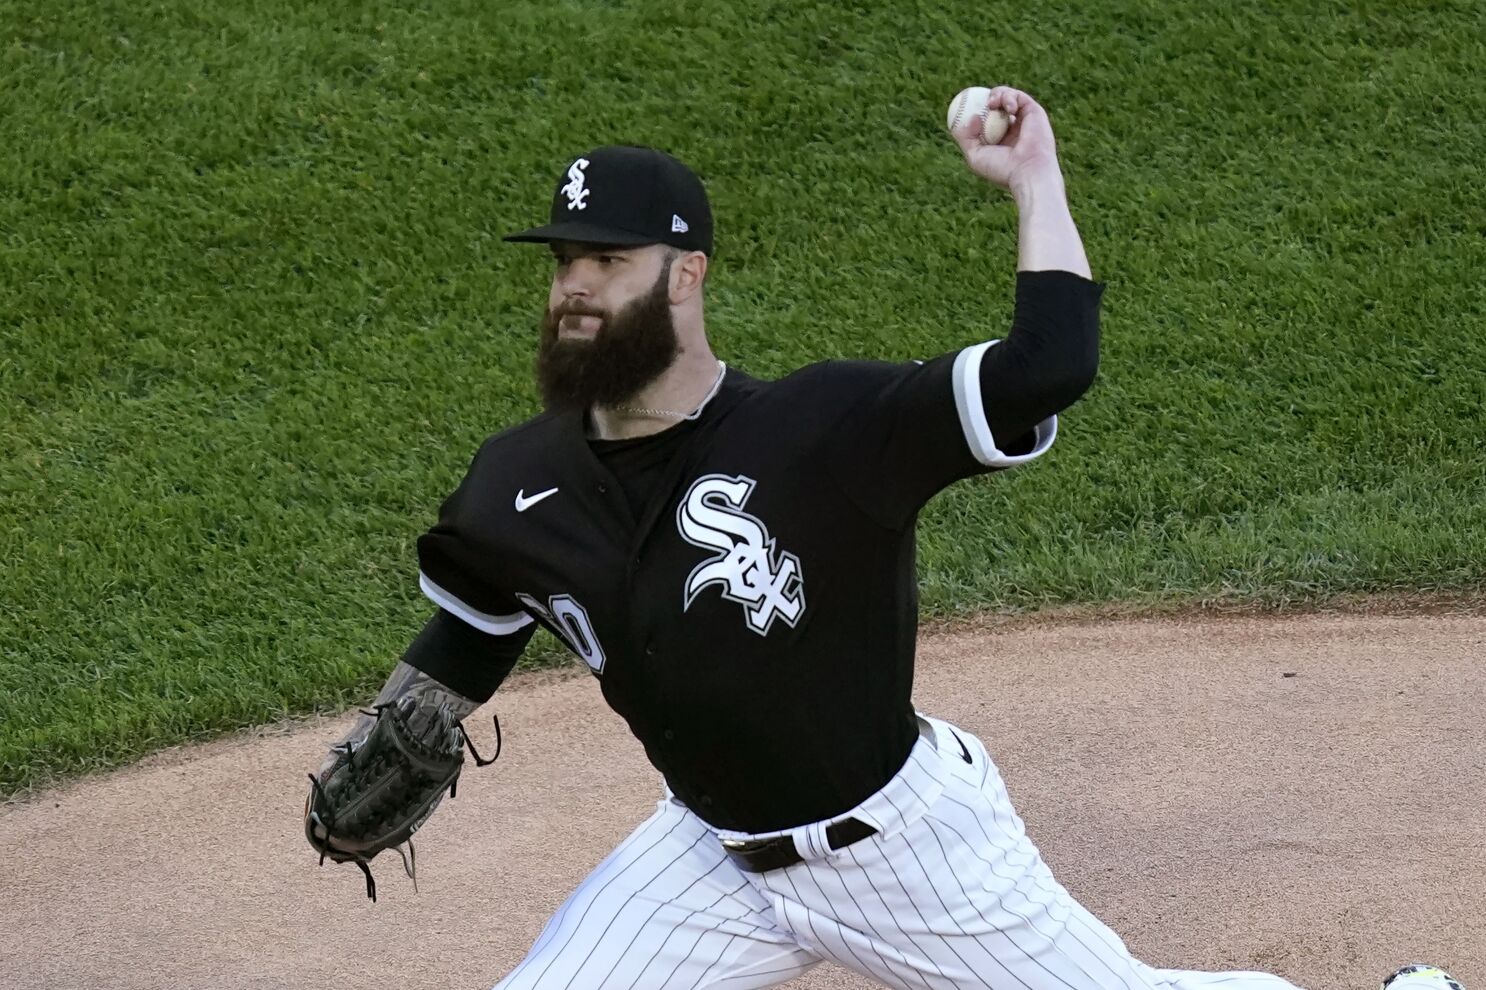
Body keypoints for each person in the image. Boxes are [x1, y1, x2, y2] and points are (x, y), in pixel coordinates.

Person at [309, 86, 1459, 990]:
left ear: (687, 274)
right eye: (564, 260)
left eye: (608, 261)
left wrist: (1034, 180)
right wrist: (408, 720)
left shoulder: (829, 428)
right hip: (707, 858)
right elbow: (476, 624)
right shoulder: (520, 478)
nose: (575, 286)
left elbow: (1047, 367)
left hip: (903, 855)